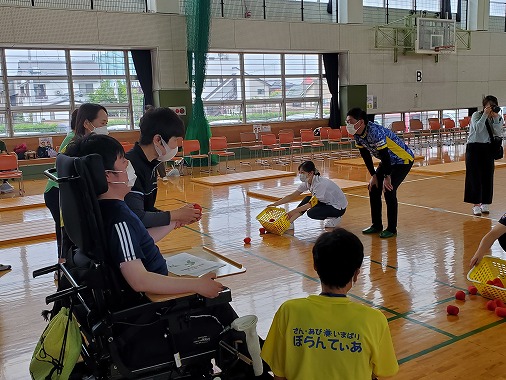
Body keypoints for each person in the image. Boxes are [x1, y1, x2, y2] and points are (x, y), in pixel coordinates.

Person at [65, 134, 268, 376]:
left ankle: (256, 362)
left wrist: (172, 224)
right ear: (106, 175)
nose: (129, 166)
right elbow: (139, 279)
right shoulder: (118, 219)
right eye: (122, 162)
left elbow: (136, 245)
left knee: (217, 301)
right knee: (219, 304)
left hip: (147, 300)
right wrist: (197, 286)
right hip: (154, 310)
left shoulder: (108, 210)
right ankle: (258, 369)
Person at [261, 228, 399, 380]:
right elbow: (382, 371)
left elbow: (279, 374)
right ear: (357, 273)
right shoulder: (374, 319)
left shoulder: (288, 310)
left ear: (315, 267)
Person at [125, 107, 200, 233]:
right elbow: (136, 217)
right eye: (175, 140)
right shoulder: (131, 166)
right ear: (158, 140)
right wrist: (175, 215)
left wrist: (179, 217)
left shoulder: (150, 164)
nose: (176, 146)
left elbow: (147, 210)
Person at [346, 108, 414, 238]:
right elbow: (365, 155)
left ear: (360, 122)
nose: (347, 124)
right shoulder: (357, 134)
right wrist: (374, 176)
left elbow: (385, 155)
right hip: (387, 161)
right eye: (347, 121)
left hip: (402, 160)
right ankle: (376, 225)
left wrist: (387, 177)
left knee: (389, 190)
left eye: (350, 121)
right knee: (373, 188)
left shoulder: (374, 132)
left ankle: (392, 229)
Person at [268, 161, 347, 229]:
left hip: (338, 208)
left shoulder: (320, 184)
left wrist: (292, 212)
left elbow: (311, 204)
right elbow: (291, 196)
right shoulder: (307, 182)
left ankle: (336, 217)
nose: (300, 175)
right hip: (326, 203)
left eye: (302, 173)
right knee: (306, 199)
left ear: (311, 173)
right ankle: (290, 222)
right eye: (300, 173)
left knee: (312, 213)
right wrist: (275, 204)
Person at [43, 109, 78, 259]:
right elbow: (61, 164)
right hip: (56, 190)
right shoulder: (73, 139)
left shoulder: (80, 138)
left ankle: (68, 262)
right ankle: (62, 264)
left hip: (65, 190)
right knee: (64, 229)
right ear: (86, 123)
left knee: (71, 229)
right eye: (101, 123)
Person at [464, 95, 503, 216]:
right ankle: (476, 204)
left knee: (488, 175)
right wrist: (485, 115)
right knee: (474, 176)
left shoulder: (498, 118)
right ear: (484, 106)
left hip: (487, 148)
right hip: (474, 147)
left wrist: (496, 119)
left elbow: (498, 133)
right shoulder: (477, 115)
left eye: (493, 106)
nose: (491, 109)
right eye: (489, 106)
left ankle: (485, 203)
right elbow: (478, 129)